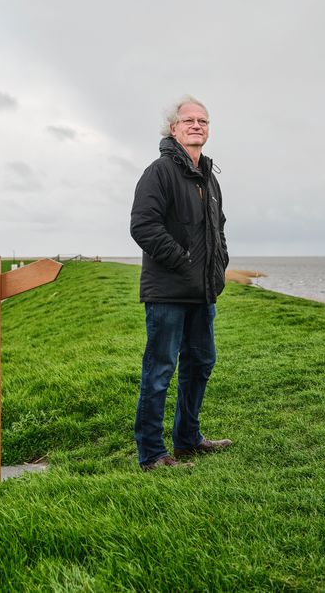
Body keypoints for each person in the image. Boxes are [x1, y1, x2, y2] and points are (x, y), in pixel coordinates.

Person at [129, 95, 232, 471]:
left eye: (203, 121)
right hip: (168, 292)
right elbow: (143, 226)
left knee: (200, 362)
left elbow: (218, 229)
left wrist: (218, 265)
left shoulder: (209, 176)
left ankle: (188, 439)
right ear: (173, 129)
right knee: (159, 371)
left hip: (202, 292)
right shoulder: (159, 172)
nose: (196, 126)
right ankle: (152, 454)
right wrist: (184, 261)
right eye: (188, 120)